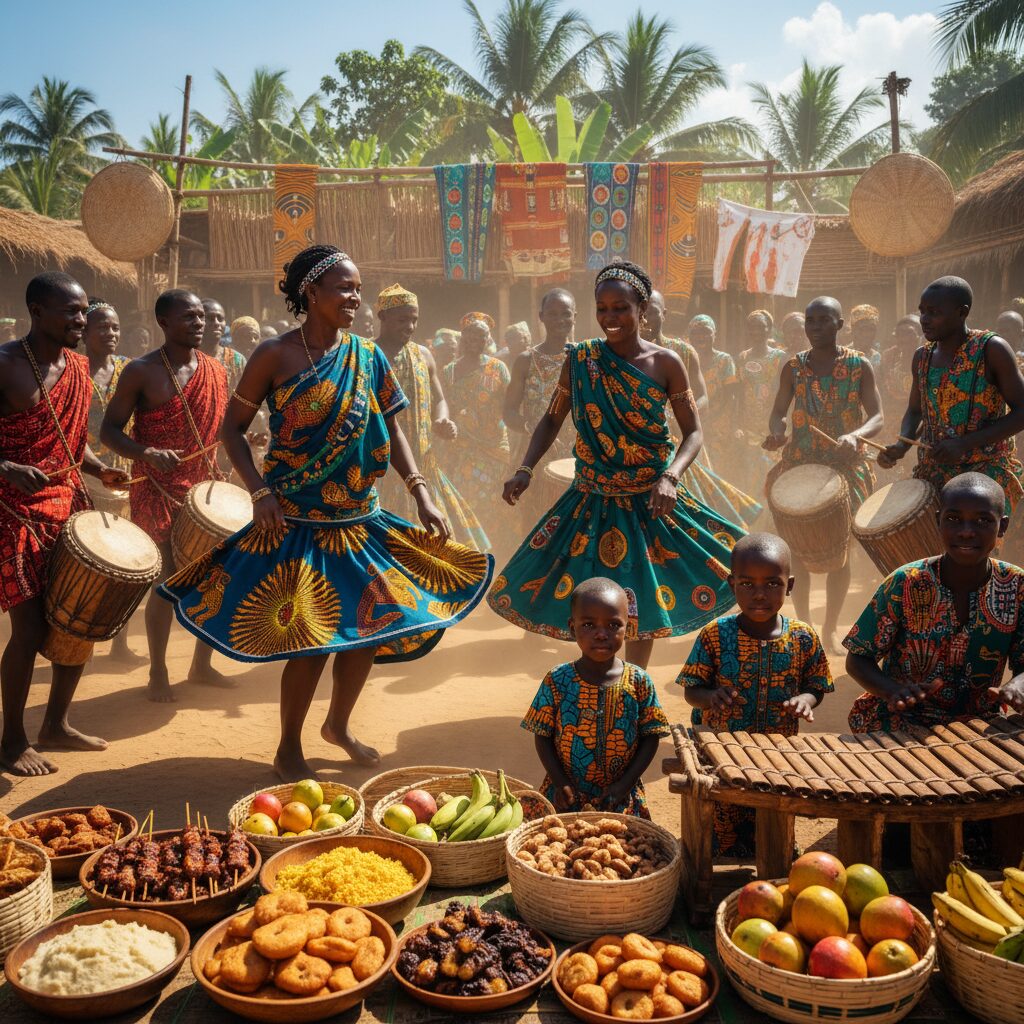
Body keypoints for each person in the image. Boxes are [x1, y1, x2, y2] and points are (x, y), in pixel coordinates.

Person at [158, 245, 493, 778]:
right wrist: (260, 492)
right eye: (343, 287)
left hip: (360, 519)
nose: (354, 297)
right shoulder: (274, 355)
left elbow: (395, 426)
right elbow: (231, 432)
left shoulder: (367, 354)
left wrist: (421, 488)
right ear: (311, 293)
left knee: (368, 631)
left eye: (358, 287)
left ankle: (337, 724)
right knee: (312, 641)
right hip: (298, 523)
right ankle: (288, 746)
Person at [489, 260, 744, 669]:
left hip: (651, 499)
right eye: (602, 308)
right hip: (592, 497)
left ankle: (636, 686)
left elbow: (694, 432)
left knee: (644, 597)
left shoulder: (667, 363)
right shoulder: (581, 360)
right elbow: (553, 418)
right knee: (589, 599)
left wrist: (670, 478)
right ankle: (598, 681)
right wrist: (525, 469)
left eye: (621, 308)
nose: (610, 318)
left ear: (642, 310)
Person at [0, 272, 129, 775]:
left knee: (81, 614)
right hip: (12, 513)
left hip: (67, 506)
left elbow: (72, 440)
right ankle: (11, 741)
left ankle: (56, 723)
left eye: (83, 311)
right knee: (29, 628)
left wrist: (99, 468)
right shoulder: (6, 365)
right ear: (37, 311)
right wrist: (5, 467)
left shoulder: (77, 365)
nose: (82, 320)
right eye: (71, 312)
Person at [101, 289, 229, 702]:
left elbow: (222, 432)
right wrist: (146, 453)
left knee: (214, 581)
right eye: (188, 317)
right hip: (156, 490)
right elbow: (109, 431)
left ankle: (201, 665)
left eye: (201, 317)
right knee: (166, 583)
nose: (199, 323)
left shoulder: (216, 370)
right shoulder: (140, 371)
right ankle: (158, 671)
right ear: (164, 323)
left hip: (207, 493)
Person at [678, 533, 833, 854]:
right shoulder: (715, 635)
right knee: (723, 818)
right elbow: (692, 690)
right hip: (721, 754)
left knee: (774, 818)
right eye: (747, 584)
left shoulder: (803, 638)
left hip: (778, 756)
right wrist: (711, 698)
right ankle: (720, 853)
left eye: (772, 584)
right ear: (732, 584)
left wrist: (805, 700)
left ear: (789, 585)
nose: (759, 594)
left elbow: (816, 685)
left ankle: (775, 851)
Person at [845, 472, 1024, 733]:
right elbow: (858, 659)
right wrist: (894, 691)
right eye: (953, 519)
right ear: (938, 521)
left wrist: (1018, 685)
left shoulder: (1018, 586)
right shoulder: (904, 582)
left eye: (983, 521)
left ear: (1003, 526)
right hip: (901, 723)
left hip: (977, 727)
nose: (966, 532)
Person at [764, 296, 884, 653]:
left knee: (840, 551)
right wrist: (776, 431)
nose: (815, 327)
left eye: (823, 320)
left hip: (845, 468)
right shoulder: (793, 367)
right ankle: (806, 626)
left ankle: (831, 629)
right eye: (810, 321)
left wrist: (856, 435)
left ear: (840, 324)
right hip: (800, 465)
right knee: (796, 550)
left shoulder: (860, 365)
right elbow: (778, 411)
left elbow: (877, 416)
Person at [522, 577, 670, 817]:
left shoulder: (639, 681)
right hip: (565, 797)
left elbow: (650, 737)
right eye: (589, 625)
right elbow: (542, 735)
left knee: (629, 848)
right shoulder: (557, 680)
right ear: (573, 628)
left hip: (621, 798)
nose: (601, 634)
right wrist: (561, 783)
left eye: (613, 625)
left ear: (628, 628)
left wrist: (625, 785)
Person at [878, 277, 1024, 515]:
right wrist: (901, 445)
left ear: (962, 312)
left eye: (934, 312)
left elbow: (1022, 411)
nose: (924, 319)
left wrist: (965, 443)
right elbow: (916, 411)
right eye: (922, 311)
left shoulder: (991, 349)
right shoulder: (921, 357)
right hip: (934, 477)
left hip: (984, 478)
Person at [372, 284, 489, 551]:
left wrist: (442, 420)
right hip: (383, 469)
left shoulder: (423, 355)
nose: (410, 326)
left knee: (440, 541)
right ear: (382, 318)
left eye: (414, 320)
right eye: (403, 319)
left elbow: (440, 400)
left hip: (425, 462)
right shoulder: (367, 356)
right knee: (392, 545)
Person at [643, 294, 761, 530]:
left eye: (652, 311)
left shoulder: (683, 352)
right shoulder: (621, 355)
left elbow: (703, 396)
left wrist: (683, 416)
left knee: (693, 508)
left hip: (681, 441)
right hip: (640, 451)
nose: (645, 319)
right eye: (641, 311)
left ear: (664, 314)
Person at [83, 299, 144, 665]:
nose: (111, 333)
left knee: (125, 563)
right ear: (85, 332)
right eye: (102, 327)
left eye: (115, 327)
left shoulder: (129, 370)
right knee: (91, 560)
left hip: (127, 476)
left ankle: (120, 642)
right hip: (87, 475)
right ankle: (83, 640)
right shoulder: (71, 369)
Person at [504, 288, 577, 512]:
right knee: (534, 518)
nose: (559, 320)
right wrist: (533, 429)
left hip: (576, 456)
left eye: (565, 313)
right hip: (533, 458)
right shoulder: (526, 361)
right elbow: (509, 413)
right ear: (541, 317)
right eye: (552, 314)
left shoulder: (583, 358)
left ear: (575, 316)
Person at [441, 312, 511, 539]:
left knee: (492, 502)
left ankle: (494, 550)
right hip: (461, 449)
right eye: (470, 337)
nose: (475, 343)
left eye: (481, 338)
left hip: (494, 449)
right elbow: (443, 408)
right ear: (463, 339)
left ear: (488, 339)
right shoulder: (449, 372)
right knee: (467, 502)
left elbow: (510, 405)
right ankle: (470, 550)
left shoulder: (499, 368)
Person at [734, 310, 788, 495]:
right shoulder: (742, 357)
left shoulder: (781, 358)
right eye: (752, 328)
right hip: (749, 426)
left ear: (770, 330)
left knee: (773, 474)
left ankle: (771, 518)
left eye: (761, 328)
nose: (756, 332)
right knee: (750, 475)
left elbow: (787, 393)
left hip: (773, 426)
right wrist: (738, 424)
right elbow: (739, 394)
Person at [200, 298, 246, 394]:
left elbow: (247, 397)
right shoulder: (186, 359)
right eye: (210, 318)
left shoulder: (237, 360)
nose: (216, 323)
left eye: (220, 319)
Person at [880, 314, 922, 415]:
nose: (904, 338)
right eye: (899, 334)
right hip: (891, 416)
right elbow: (881, 389)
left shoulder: (929, 358)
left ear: (920, 335)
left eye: (909, 333)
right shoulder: (888, 357)